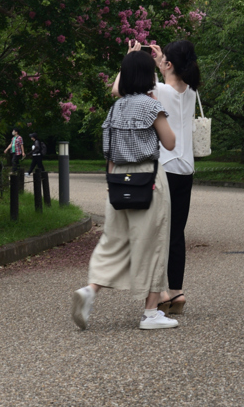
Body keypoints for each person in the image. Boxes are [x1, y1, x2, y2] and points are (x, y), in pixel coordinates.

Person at [72, 49, 178, 331]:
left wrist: (110, 182)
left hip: (118, 178)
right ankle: (151, 313)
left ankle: (90, 290)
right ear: (148, 76)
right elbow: (169, 143)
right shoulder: (150, 106)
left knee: (114, 240)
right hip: (148, 178)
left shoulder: (115, 108)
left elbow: (108, 151)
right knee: (153, 243)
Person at [148, 40, 201, 316]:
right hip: (186, 168)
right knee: (176, 233)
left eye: (164, 59)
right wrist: (163, 62)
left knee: (158, 233)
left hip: (165, 167)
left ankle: (160, 293)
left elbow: (144, 89)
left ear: (169, 64)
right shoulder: (191, 92)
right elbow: (171, 84)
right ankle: (177, 291)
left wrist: (152, 64)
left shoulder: (159, 90)